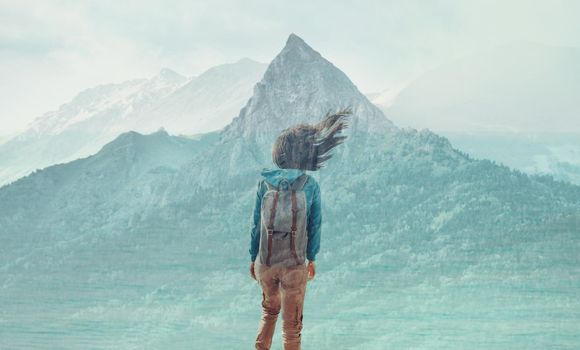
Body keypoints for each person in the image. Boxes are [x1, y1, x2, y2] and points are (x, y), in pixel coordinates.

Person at [249, 108, 351, 350]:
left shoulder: (264, 184)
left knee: (269, 313)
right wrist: (311, 259)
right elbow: (315, 225)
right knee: (292, 328)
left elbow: (256, 225)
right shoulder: (310, 185)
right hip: (295, 264)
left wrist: (254, 258)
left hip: (266, 261)